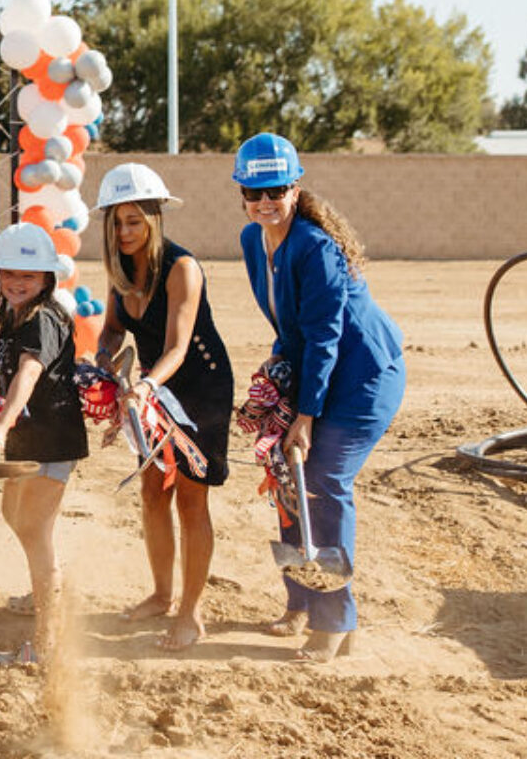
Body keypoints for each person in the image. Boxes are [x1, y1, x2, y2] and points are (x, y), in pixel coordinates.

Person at [235, 132, 404, 664]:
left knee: (324, 481)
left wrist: (304, 417)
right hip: (313, 372)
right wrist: (276, 375)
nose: (265, 202)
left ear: (296, 187)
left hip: (361, 378)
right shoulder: (252, 240)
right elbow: (290, 327)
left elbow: (326, 336)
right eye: (255, 191)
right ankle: (301, 603)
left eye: (277, 190)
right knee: (287, 477)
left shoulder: (315, 246)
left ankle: (336, 621)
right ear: (242, 192)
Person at [93, 163, 234, 651]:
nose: (125, 231)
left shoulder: (182, 268)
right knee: (153, 492)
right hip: (152, 392)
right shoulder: (117, 269)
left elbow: (177, 345)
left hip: (199, 388)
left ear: (155, 218)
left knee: (192, 501)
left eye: (135, 221)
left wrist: (146, 384)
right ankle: (160, 594)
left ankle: (192, 613)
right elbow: (113, 329)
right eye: (117, 221)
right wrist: (104, 358)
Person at [0, 222, 86, 659]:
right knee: (14, 514)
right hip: (26, 437)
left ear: (46, 279)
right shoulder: (11, 314)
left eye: (28, 275)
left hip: (53, 438)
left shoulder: (42, 318)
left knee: (34, 528)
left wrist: (1, 427)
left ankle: (48, 637)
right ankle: (45, 587)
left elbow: (28, 372)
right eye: (9, 273)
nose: (17, 282)